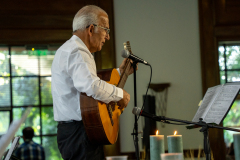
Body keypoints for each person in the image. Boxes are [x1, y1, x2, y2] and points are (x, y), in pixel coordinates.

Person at [51, 5, 136, 160]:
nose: (108, 37)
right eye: (106, 30)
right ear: (91, 29)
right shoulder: (77, 51)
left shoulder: (73, 50)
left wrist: (120, 73)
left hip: (80, 132)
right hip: (78, 134)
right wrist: (119, 94)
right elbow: (92, 86)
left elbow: (89, 82)